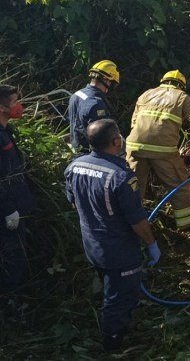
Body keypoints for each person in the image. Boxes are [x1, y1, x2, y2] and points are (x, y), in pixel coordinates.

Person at [65, 119, 160, 352]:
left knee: (110, 286)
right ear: (116, 141)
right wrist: (151, 243)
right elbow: (137, 220)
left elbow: (74, 203)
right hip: (119, 251)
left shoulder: (75, 166)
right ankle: (113, 343)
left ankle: (118, 325)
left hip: (92, 244)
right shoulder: (121, 177)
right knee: (119, 297)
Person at [125, 71, 190, 230]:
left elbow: (134, 123)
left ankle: (132, 226)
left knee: (133, 187)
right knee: (179, 185)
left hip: (134, 147)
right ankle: (186, 225)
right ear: (181, 85)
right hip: (163, 150)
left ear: (163, 81)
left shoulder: (146, 94)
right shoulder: (183, 97)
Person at [0, 85, 36, 296]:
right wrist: (7, 208)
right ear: (2, 107)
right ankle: (8, 303)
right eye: (14, 102)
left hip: (17, 204)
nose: (19, 106)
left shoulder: (6, 131)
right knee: (13, 259)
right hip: (7, 210)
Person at [68, 60, 120, 154]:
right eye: (112, 83)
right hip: (90, 155)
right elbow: (102, 138)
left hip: (75, 152)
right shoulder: (96, 104)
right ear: (106, 79)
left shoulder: (76, 95)